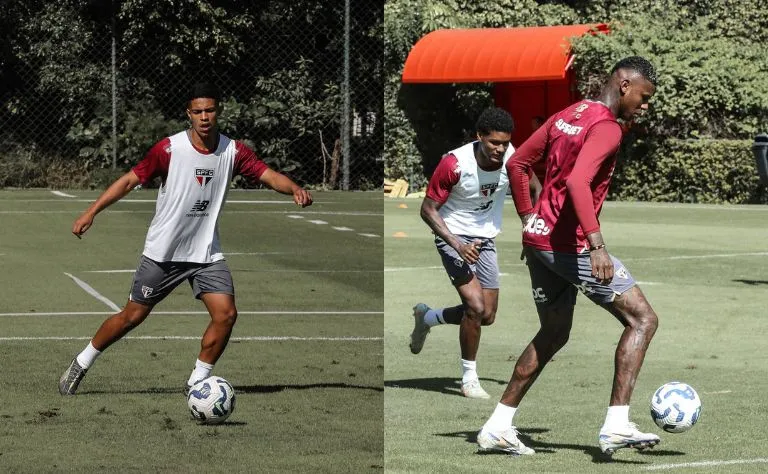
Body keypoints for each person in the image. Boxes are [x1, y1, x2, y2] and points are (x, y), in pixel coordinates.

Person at [59, 82, 313, 396]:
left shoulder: (232, 151)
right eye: (198, 112)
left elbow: (267, 174)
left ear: (217, 112)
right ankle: (82, 362)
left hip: (206, 254)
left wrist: (294, 189)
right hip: (164, 253)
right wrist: (91, 212)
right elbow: (128, 181)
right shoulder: (169, 149)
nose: (204, 117)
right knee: (132, 316)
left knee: (226, 315)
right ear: (188, 114)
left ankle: (196, 382)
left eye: (210, 110)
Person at [476, 56, 660, 456]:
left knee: (554, 332)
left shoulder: (569, 113)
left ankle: (498, 425)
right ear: (625, 84)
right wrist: (596, 245)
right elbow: (578, 182)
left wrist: (530, 220)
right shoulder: (607, 128)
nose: (643, 106)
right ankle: (616, 424)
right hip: (571, 245)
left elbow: (519, 162)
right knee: (643, 319)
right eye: (643, 97)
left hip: (541, 243)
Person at [409, 107, 515, 399]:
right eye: (494, 142)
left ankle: (428, 318)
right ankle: (469, 379)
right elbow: (427, 209)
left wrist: (533, 224)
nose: (500, 148)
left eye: (505, 142)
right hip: (452, 235)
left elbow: (531, 187)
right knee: (475, 307)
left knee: (488, 315)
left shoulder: (512, 158)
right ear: (479, 137)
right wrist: (457, 244)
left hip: (486, 238)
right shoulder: (455, 164)